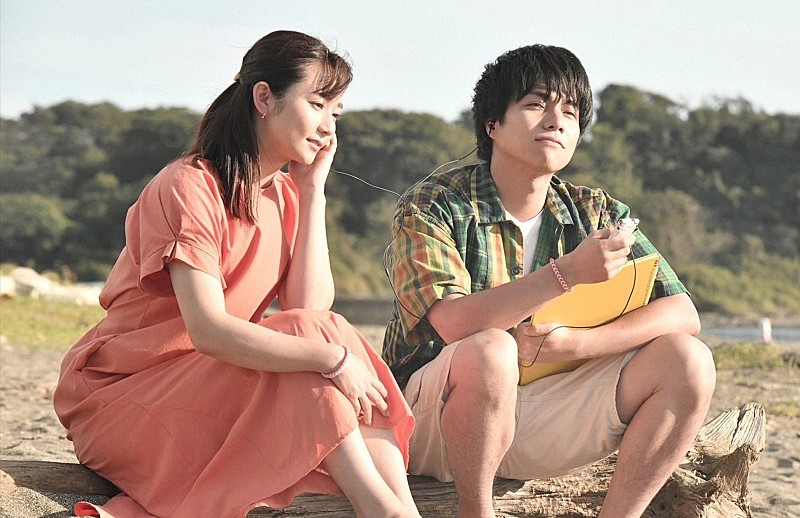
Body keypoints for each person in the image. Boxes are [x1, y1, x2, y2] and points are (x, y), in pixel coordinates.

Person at [54, 30, 419, 518]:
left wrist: (312, 192)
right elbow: (208, 331)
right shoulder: (190, 186)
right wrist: (333, 360)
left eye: (336, 114)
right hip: (126, 395)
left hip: (215, 387)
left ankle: (399, 509)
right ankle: (385, 511)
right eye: (316, 105)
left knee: (318, 336)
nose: (328, 128)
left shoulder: (284, 196)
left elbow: (310, 310)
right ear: (264, 98)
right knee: (321, 352)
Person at [382, 44, 716, 518]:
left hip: (543, 414)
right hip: (431, 422)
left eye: (571, 112)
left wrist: (577, 344)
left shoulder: (594, 210)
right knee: (491, 350)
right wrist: (567, 274)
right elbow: (453, 324)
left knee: (689, 361)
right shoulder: (435, 203)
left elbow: (683, 312)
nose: (556, 121)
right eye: (536, 104)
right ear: (492, 124)